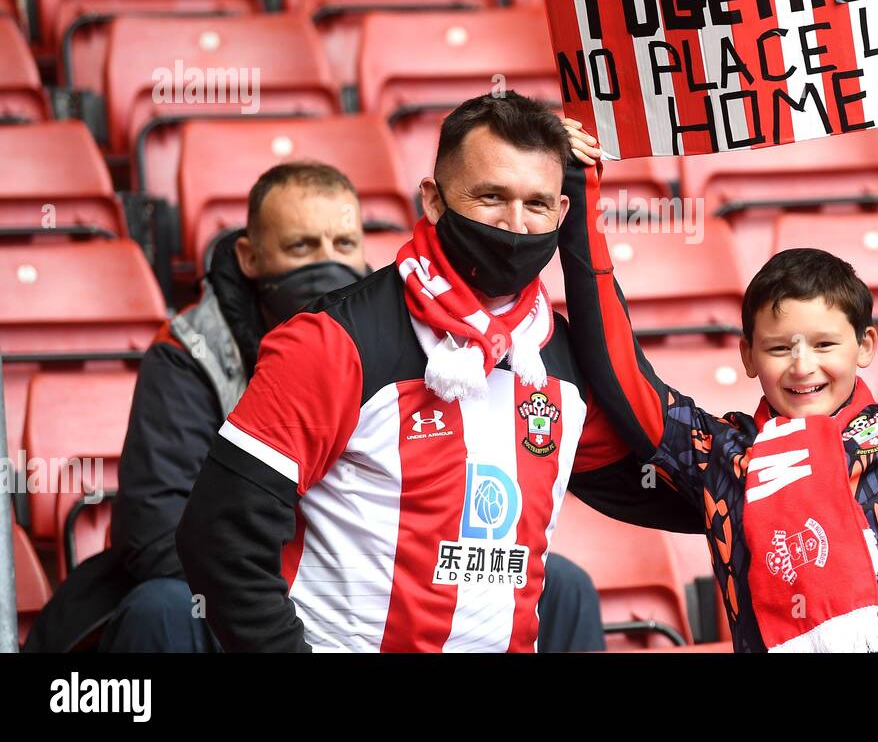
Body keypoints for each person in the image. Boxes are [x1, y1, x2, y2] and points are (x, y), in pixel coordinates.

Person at [175, 93, 701, 652]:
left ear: (563, 216)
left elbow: (678, 488)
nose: (515, 225)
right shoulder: (333, 342)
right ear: (433, 200)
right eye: (491, 197)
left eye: (538, 204)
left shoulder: (559, 360)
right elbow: (219, 539)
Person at [24, 161, 606, 653]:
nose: (326, 260)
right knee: (165, 608)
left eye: (343, 244)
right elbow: (158, 535)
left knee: (567, 587)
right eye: (302, 246)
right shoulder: (190, 353)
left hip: (372, 571)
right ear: (251, 257)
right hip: (241, 585)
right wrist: (307, 583)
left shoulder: (392, 332)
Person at [556, 73, 878, 652]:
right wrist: (580, 193)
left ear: (866, 346)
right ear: (747, 356)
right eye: (780, 348)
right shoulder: (720, 457)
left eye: (825, 345)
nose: (802, 366)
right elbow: (618, 370)